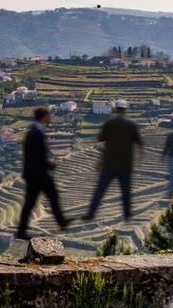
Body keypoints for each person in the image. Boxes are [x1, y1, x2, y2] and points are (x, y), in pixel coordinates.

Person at [83, 99, 143, 222]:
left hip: (109, 164)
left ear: (116, 109)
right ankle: (127, 216)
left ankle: (90, 214)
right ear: (125, 110)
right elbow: (140, 145)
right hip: (125, 165)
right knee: (125, 192)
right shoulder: (131, 125)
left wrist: (99, 161)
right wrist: (138, 163)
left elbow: (99, 142)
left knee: (99, 191)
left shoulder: (108, 124)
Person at [16, 107, 71, 240]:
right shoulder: (35, 133)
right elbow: (36, 156)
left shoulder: (35, 132)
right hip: (38, 174)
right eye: (48, 115)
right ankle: (61, 222)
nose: (50, 117)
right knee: (46, 198)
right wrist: (50, 165)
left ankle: (61, 222)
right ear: (44, 117)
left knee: (37, 200)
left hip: (36, 174)